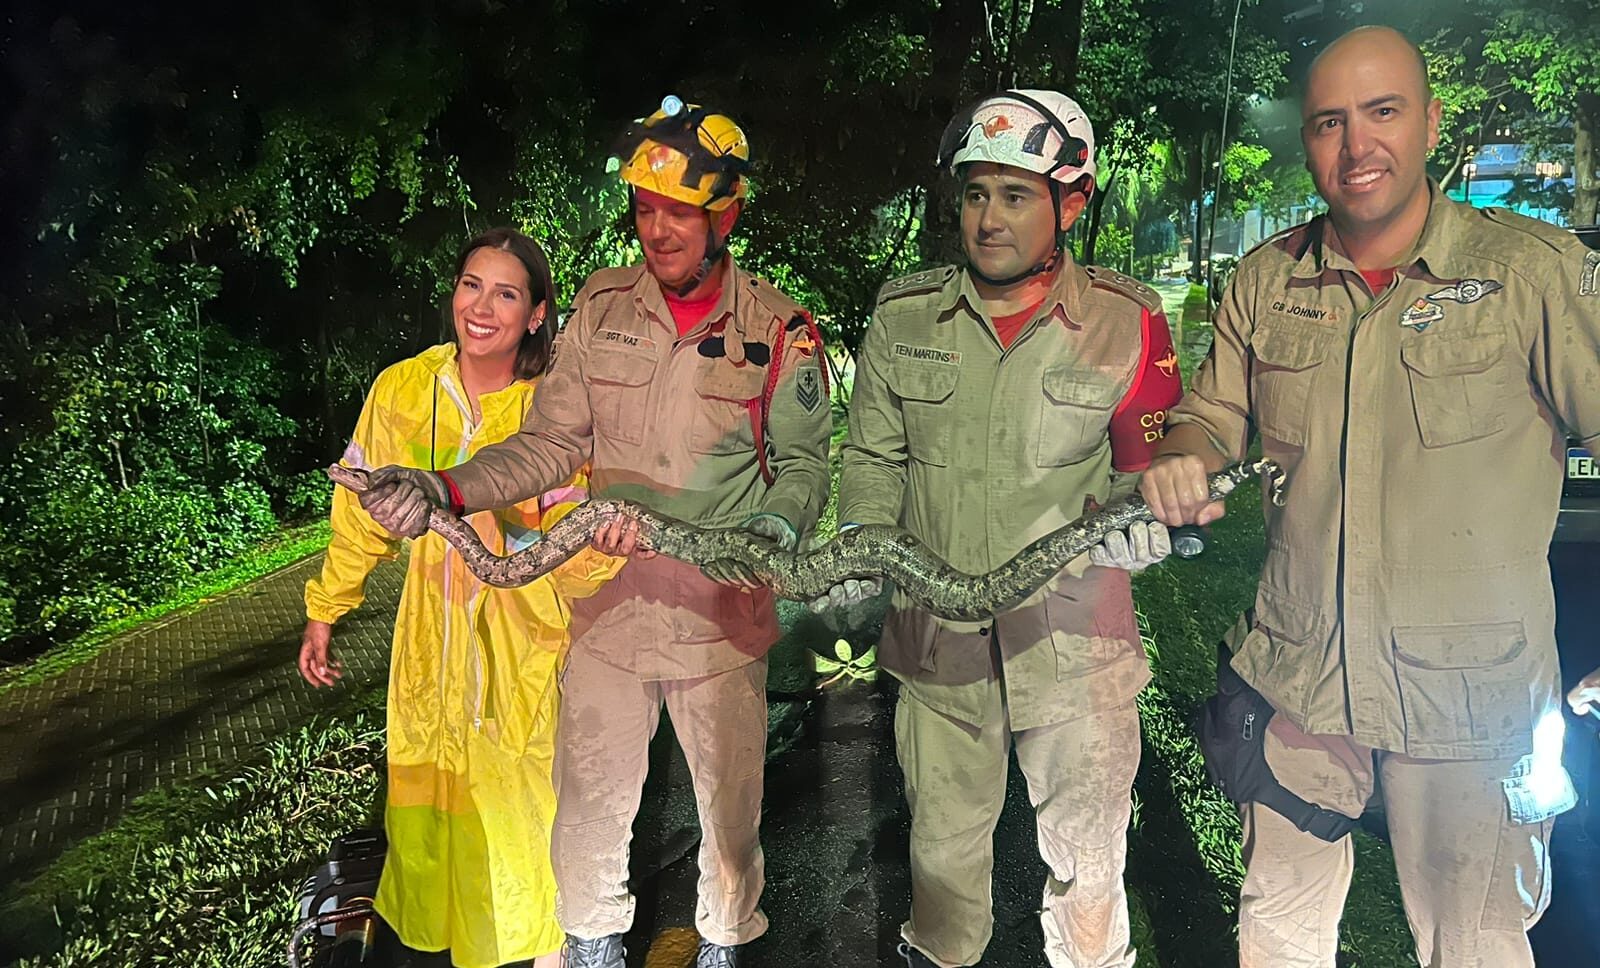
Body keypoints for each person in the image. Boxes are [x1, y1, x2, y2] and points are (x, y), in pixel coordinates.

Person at [1139, 25, 1600, 967]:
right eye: (1328, 123)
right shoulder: (1267, 280)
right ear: (1305, 140)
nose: (1357, 148)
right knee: (1276, 930)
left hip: (1471, 706)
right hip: (1301, 679)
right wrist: (1183, 454)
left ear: (1430, 121)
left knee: (1472, 944)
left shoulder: (1533, 275)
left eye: (1382, 113)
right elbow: (1211, 414)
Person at [352, 98, 832, 968]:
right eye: (645, 210)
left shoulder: (782, 330)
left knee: (729, 825)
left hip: (722, 621)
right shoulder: (601, 305)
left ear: (725, 214)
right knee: (588, 824)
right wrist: (444, 487)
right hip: (607, 618)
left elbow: (804, 466)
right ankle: (591, 952)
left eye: (678, 211)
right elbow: (547, 444)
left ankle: (725, 948)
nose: (656, 230)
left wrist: (773, 523)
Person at [829, 90, 1182, 968]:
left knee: (1089, 866)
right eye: (975, 193)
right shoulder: (904, 315)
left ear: (1071, 201)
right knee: (941, 860)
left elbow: (1148, 476)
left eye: (1015, 195)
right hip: (935, 639)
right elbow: (872, 458)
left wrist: (1148, 526)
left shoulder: (1126, 322)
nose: (987, 219)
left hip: (1077, 648)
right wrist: (862, 545)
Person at [299, 227, 621, 968]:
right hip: (425, 652)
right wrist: (326, 609)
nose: (483, 307)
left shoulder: (554, 409)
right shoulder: (403, 390)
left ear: (537, 314)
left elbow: (573, 555)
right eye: (471, 285)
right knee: (425, 825)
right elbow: (357, 516)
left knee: (519, 836)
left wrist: (593, 550)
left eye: (507, 293)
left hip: (519, 657)